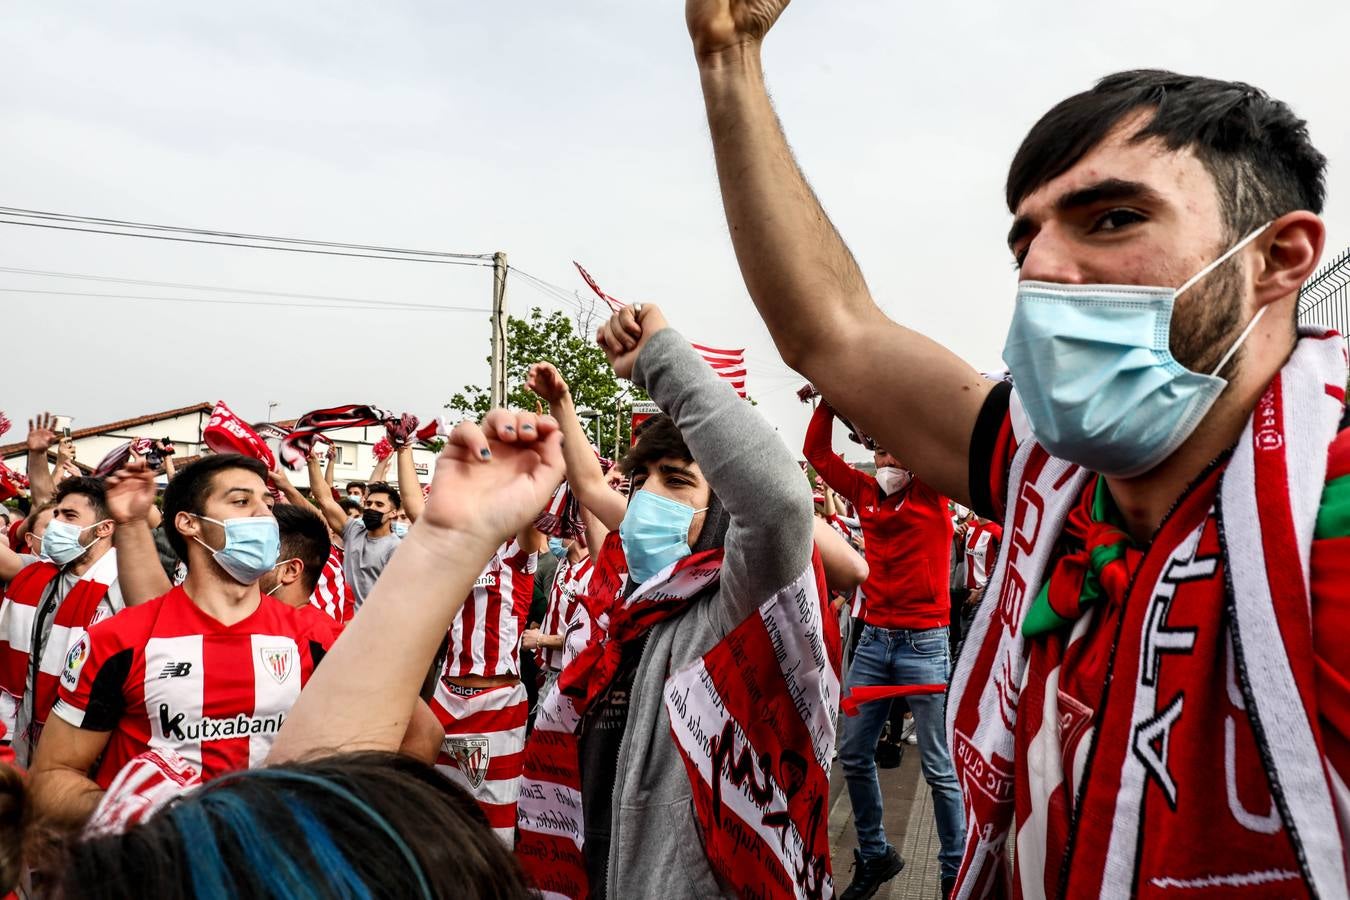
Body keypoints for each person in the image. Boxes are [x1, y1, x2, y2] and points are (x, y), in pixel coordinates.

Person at [686, 4, 1347, 895]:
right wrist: (729, 61)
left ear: (1278, 257)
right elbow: (833, 334)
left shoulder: (1328, 527)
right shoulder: (1050, 474)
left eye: (1111, 219)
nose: (1042, 268)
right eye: (1025, 239)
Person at [515, 303, 839, 900]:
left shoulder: (734, 609)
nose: (649, 496)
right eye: (647, 478)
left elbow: (780, 506)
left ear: (720, 513)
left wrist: (662, 361)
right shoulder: (633, 610)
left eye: (680, 480)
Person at [27, 454, 340, 830]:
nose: (264, 516)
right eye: (242, 502)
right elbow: (52, 776)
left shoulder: (316, 637)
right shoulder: (117, 641)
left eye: (268, 504)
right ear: (190, 523)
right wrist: (149, 817)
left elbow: (405, 735)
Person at [803, 401, 961, 895]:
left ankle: (954, 870)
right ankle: (874, 853)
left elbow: (941, 440)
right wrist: (828, 403)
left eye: (897, 454)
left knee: (938, 767)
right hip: (873, 643)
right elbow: (816, 453)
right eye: (882, 454)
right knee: (852, 753)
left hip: (925, 644)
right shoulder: (865, 490)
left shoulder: (933, 494)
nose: (888, 463)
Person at [0, 476, 124, 767]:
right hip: (25, 735)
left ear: (104, 528)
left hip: (87, 743)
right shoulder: (39, 572)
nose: (56, 524)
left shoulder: (124, 586)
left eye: (69, 516)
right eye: (56, 514)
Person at [309, 449, 405, 609]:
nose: (371, 508)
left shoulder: (396, 549)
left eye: (379, 505)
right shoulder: (353, 530)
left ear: (393, 513)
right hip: (342, 622)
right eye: (368, 503)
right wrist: (312, 460)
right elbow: (325, 500)